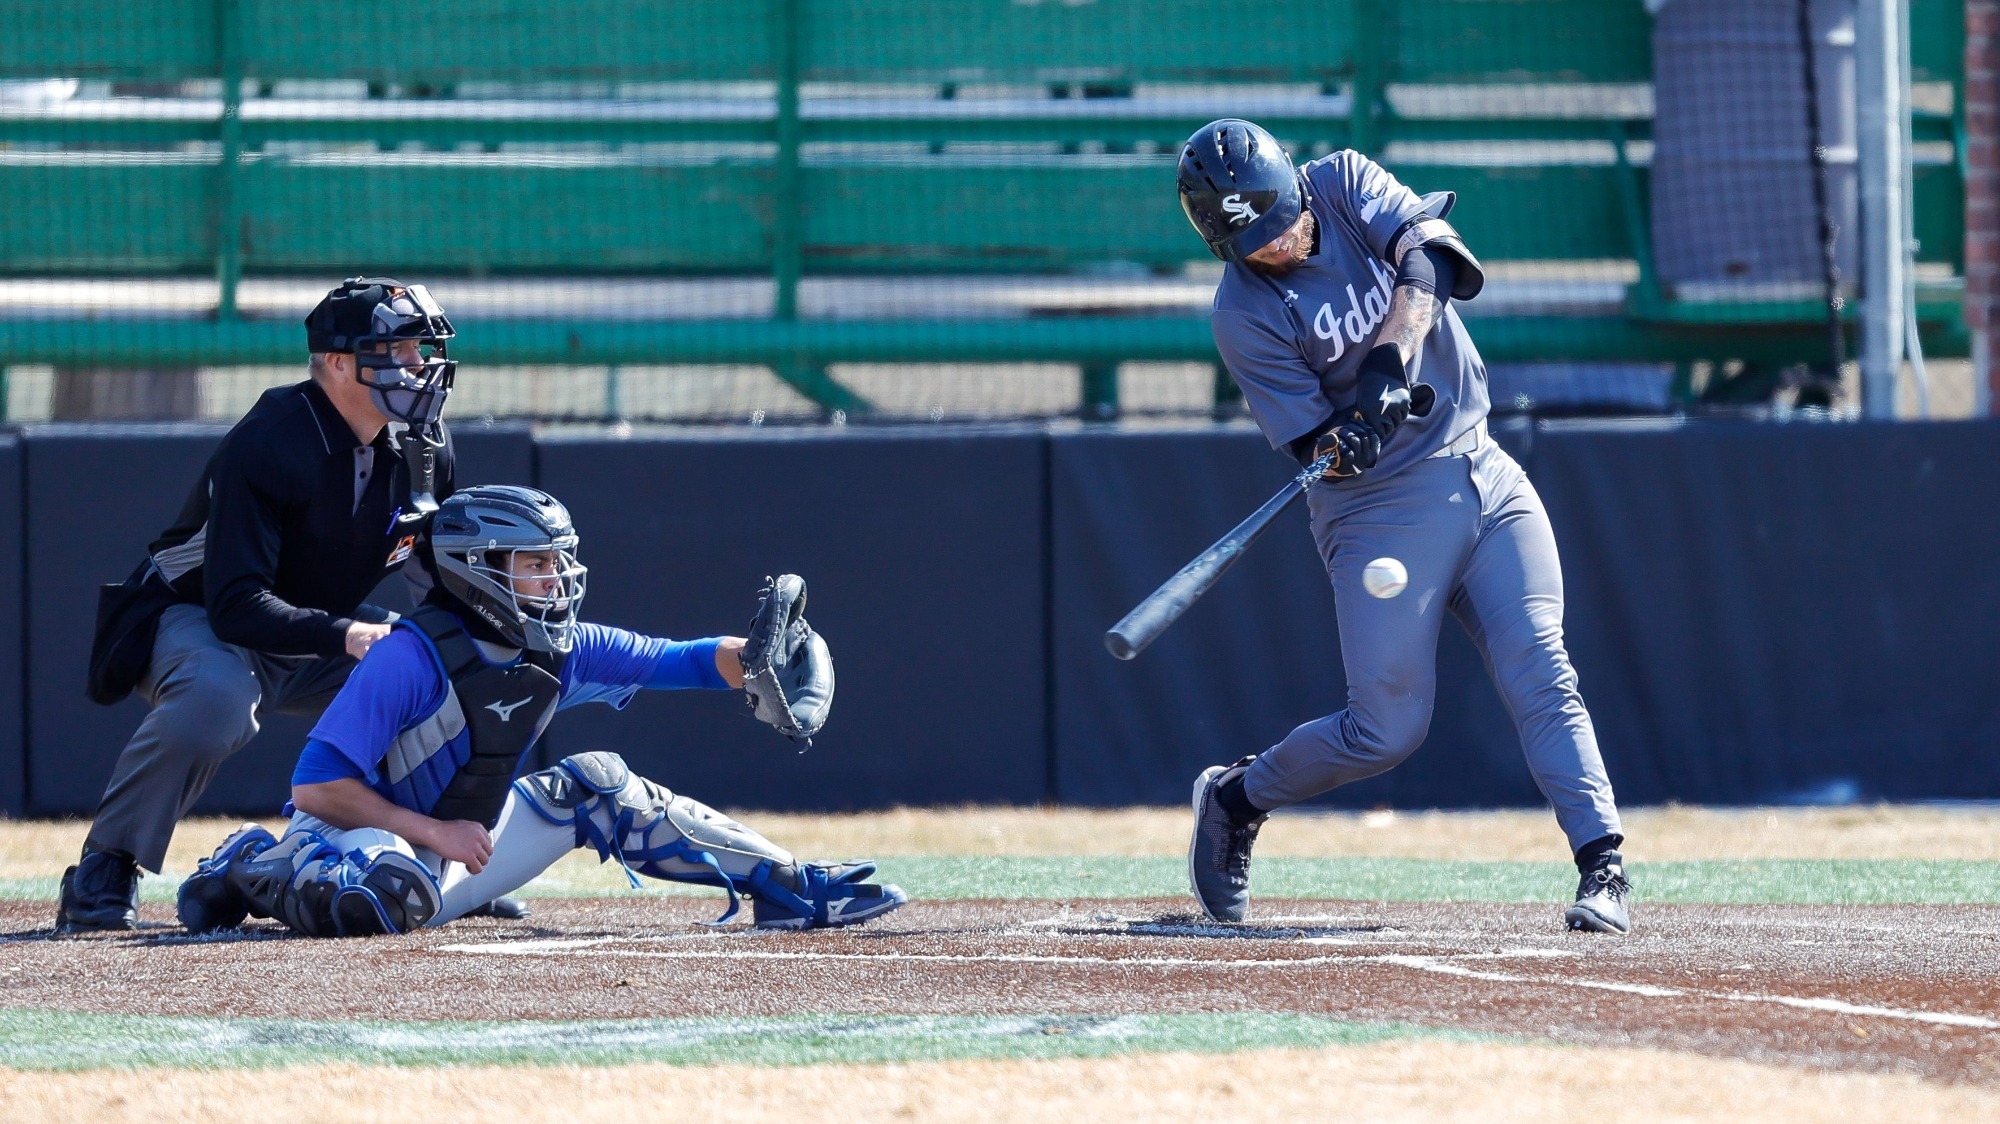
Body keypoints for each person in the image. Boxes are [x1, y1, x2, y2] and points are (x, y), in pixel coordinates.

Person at [1174, 119, 1631, 934]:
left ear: (1295, 187)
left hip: (1483, 467)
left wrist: (1390, 361)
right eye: (1257, 241)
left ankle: (1604, 866)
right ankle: (1238, 797)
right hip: (1377, 509)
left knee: (1540, 664)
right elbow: (1315, 447)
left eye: (1284, 220)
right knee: (1385, 731)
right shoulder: (1240, 312)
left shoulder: (1343, 181)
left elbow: (1429, 259)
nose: (1280, 244)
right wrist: (1345, 439)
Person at [174, 485, 902, 937]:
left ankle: (791, 885)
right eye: (537, 563)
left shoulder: (564, 646)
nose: (557, 579)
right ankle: (258, 862)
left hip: (454, 852)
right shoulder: (407, 655)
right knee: (388, 898)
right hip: (351, 841)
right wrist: (437, 832)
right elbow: (317, 789)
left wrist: (760, 658)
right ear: (477, 569)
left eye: (558, 561)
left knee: (601, 784)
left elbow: (674, 658)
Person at [53, 278, 531, 931]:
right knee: (215, 703)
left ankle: (428, 866)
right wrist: (350, 637)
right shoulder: (272, 440)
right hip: (197, 620)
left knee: (449, 680)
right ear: (337, 363)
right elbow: (235, 606)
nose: (420, 367)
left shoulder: (425, 445)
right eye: (397, 350)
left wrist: (464, 659)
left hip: (318, 631)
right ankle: (105, 866)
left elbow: (436, 584)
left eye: (422, 350)